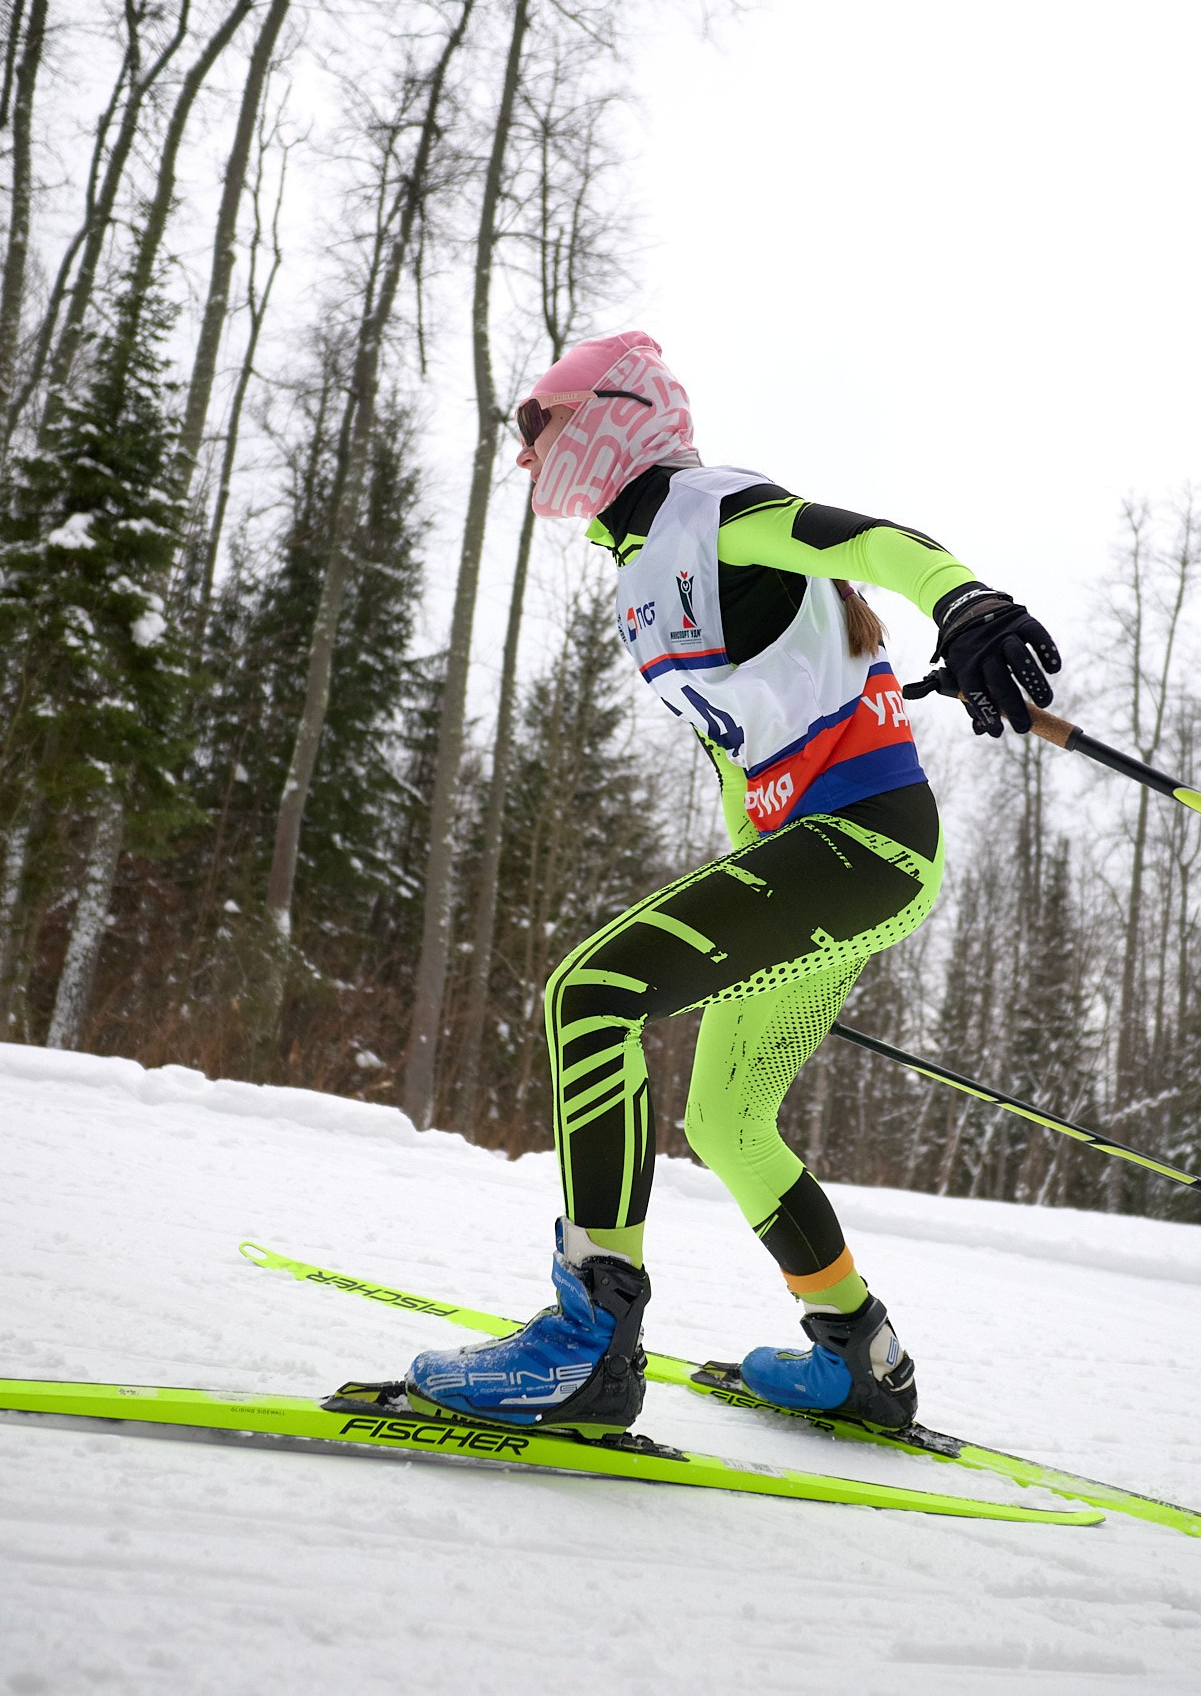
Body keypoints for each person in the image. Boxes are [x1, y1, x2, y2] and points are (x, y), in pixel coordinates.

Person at [405, 330, 1061, 1435]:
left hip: (862, 845)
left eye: (540, 426)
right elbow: (745, 757)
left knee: (589, 995)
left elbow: (878, 542)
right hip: (816, 858)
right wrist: (757, 896)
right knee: (724, 1115)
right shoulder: (641, 575)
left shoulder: (709, 512)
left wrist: (966, 602)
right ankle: (861, 1354)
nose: (527, 457)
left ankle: (587, 1345)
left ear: (613, 413)